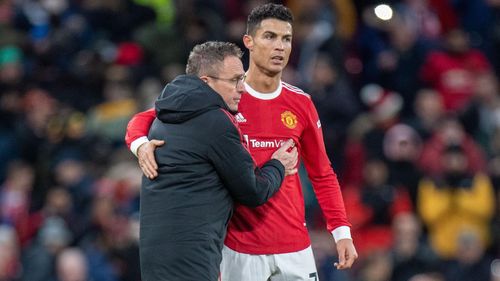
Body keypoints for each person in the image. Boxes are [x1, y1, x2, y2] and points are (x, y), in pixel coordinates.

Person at [125, 4, 358, 280]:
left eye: (286, 39)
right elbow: (146, 117)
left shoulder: (301, 103)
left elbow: (322, 173)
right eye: (269, 37)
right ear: (248, 41)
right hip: (238, 248)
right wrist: (140, 145)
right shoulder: (224, 96)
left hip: (294, 246)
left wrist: (341, 231)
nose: (279, 47)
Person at [138, 41, 298, 281]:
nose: (242, 88)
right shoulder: (214, 121)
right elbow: (253, 191)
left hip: (156, 255)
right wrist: (278, 165)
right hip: (191, 260)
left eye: (242, 78)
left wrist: (137, 144)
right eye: (234, 80)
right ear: (206, 82)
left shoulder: (164, 116)